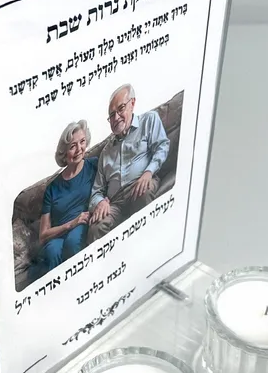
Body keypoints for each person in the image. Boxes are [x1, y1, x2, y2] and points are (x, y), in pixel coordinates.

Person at [88, 84, 170, 243]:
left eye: (121, 109)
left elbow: (162, 146)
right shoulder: (106, 152)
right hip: (115, 201)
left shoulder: (149, 120)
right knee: (96, 227)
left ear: (132, 103)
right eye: (112, 115)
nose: (116, 118)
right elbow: (96, 191)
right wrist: (101, 202)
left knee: (143, 194)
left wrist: (148, 172)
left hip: (140, 184)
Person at [37, 120, 98, 272]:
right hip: (61, 232)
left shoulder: (94, 165)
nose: (79, 149)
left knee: (73, 242)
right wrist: (70, 224)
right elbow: (43, 235)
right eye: (72, 146)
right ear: (64, 154)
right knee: (51, 250)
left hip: (83, 223)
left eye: (82, 142)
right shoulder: (52, 188)